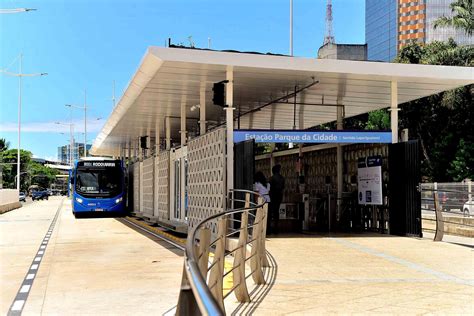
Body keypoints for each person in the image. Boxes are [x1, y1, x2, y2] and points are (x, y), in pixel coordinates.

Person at [269, 164, 285, 234]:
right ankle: (276, 227)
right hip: (279, 196)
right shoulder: (282, 178)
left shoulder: (272, 178)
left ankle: (269, 228)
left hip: (272, 196)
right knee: (276, 212)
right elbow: (283, 187)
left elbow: (269, 188)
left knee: (270, 212)